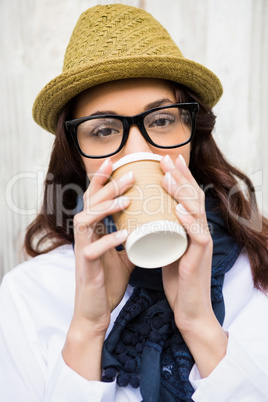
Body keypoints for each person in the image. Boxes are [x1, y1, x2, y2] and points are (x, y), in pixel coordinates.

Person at [0, 3, 268, 401]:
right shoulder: (29, 293)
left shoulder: (257, 271)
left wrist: (198, 322)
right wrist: (88, 327)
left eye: (161, 120)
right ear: (76, 154)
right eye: (105, 130)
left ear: (193, 133)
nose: (137, 151)